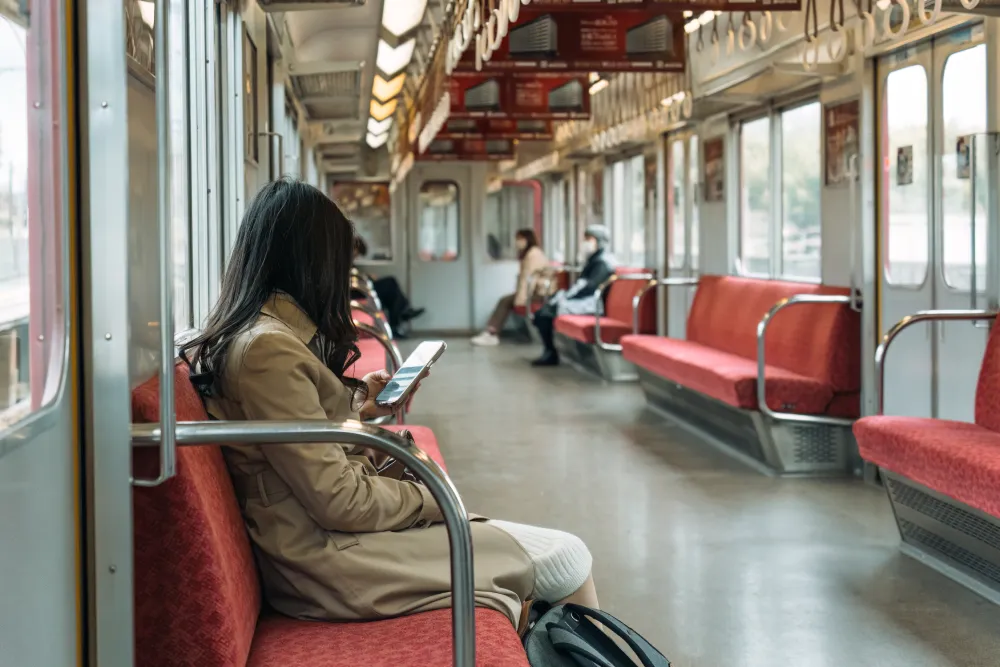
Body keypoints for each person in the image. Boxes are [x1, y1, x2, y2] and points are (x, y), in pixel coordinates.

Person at [179, 179, 599, 630]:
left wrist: (363, 403)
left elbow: (288, 434)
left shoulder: (258, 336)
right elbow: (340, 501)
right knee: (568, 557)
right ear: (314, 263)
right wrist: (432, 498)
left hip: (321, 540)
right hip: (330, 559)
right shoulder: (269, 351)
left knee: (550, 554)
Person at [531, 225, 617, 367]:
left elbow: (590, 287)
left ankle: (550, 352)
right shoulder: (594, 260)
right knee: (546, 309)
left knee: (544, 313)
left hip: (593, 303)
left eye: (589, 239)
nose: (585, 243)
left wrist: (567, 298)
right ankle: (549, 350)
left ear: (598, 241)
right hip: (586, 300)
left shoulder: (603, 263)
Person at [471, 228, 549, 347]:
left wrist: (521, 299)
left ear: (527, 239)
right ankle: (491, 332)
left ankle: (492, 333)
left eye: (519, 239)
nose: (517, 242)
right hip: (535, 290)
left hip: (540, 293)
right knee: (505, 300)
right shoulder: (529, 254)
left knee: (505, 301)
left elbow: (528, 279)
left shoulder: (533, 255)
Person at [352, 235, 424, 336]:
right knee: (390, 284)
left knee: (391, 293)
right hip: (356, 290)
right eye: (357, 252)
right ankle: (403, 313)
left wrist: (367, 277)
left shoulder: (346, 260)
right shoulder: (343, 260)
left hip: (359, 287)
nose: (356, 256)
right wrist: (368, 278)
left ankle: (400, 316)